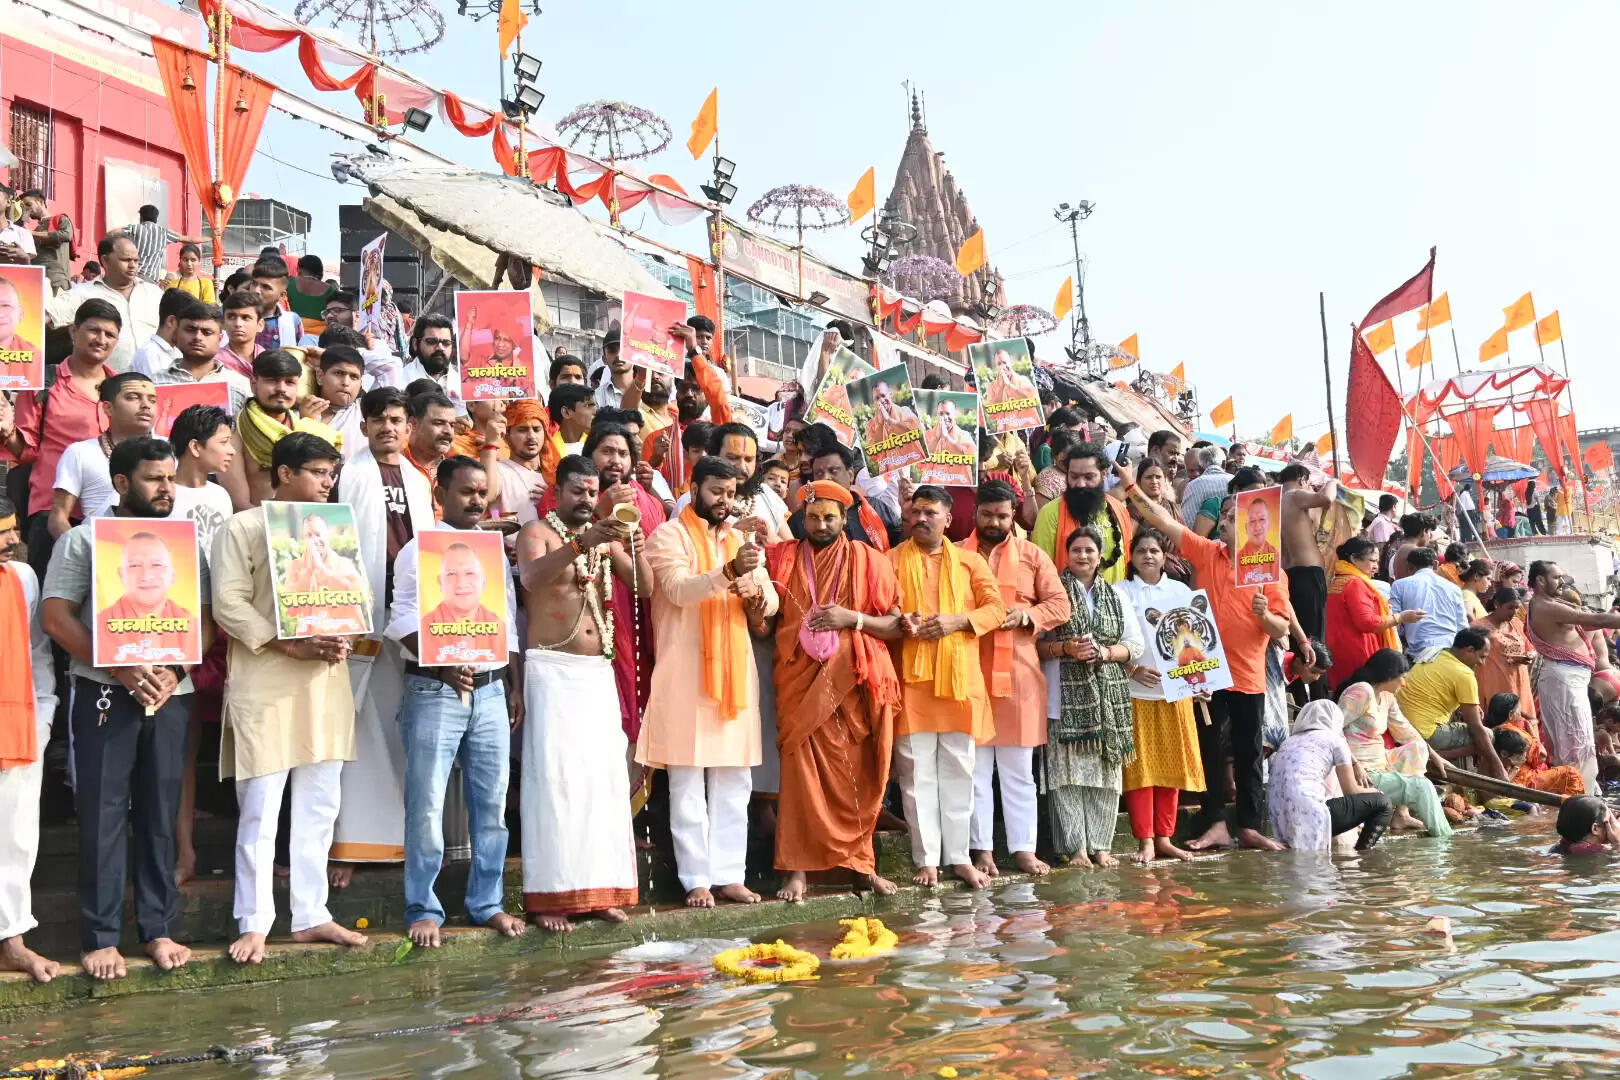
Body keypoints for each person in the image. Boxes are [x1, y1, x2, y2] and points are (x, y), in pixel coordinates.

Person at [41, 436, 202, 979]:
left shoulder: (184, 542)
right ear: (121, 483)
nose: (166, 488)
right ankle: (100, 937)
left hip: (171, 693)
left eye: (170, 478)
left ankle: (159, 929)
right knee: (103, 814)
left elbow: (201, 620)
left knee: (160, 814)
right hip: (104, 692)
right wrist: (120, 668)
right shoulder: (84, 540)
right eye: (154, 479)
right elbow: (56, 617)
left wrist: (174, 671)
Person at [212, 432, 366, 965]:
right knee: (261, 810)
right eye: (318, 472)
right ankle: (254, 922)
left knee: (321, 805)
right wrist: (288, 643)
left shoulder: (336, 531)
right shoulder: (243, 527)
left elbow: (355, 596)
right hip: (266, 680)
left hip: (324, 680)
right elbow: (227, 603)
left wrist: (345, 629)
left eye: (331, 474)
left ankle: (311, 913)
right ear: (283, 473)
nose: (327, 483)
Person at [385, 457, 525, 946]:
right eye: (466, 491)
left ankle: (487, 903)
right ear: (439, 494)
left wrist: (513, 684)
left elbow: (506, 620)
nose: (476, 500)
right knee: (426, 805)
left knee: (492, 807)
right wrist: (440, 664)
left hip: (490, 689)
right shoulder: (419, 550)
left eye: (482, 492)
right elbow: (400, 618)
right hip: (434, 689)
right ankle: (423, 908)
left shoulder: (491, 552)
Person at [1119, 475, 1291, 851]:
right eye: (1225, 515)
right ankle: (1215, 823)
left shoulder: (1271, 571)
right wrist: (1131, 487)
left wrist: (1264, 614)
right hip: (1204, 673)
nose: (1224, 521)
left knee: (1249, 752)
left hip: (1248, 673)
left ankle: (1250, 826)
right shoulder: (1209, 552)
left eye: (1231, 516)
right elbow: (1163, 521)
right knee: (1209, 749)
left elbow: (1281, 627)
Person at [638, 456, 777, 907]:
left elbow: (772, 598)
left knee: (735, 779)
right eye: (716, 491)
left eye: (731, 493)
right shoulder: (668, 536)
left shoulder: (739, 540)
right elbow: (679, 590)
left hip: (735, 673)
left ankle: (730, 875)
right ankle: (696, 878)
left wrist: (757, 595)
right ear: (693, 488)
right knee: (687, 781)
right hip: (685, 675)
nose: (724, 501)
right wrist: (729, 572)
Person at [517, 454, 647, 929]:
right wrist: (581, 543)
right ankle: (552, 898)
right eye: (578, 491)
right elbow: (531, 578)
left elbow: (646, 586)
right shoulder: (537, 532)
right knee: (557, 783)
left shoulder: (604, 538)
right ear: (558, 492)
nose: (587, 500)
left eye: (593, 493)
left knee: (603, 782)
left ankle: (602, 890)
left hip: (597, 672)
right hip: (552, 669)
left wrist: (632, 543)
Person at [760, 480, 904, 901]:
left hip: (852, 685)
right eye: (812, 518)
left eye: (829, 518)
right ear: (802, 520)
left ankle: (861, 867)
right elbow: (765, 624)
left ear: (845, 518)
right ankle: (796, 871)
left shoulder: (870, 561)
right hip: (798, 683)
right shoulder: (782, 558)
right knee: (799, 777)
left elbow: (895, 625)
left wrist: (851, 619)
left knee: (856, 775)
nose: (820, 525)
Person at [328, 387, 437, 884]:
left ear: (409, 427)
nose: (387, 428)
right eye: (378, 420)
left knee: (402, 731)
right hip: (360, 616)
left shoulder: (417, 479)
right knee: (355, 732)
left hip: (407, 618)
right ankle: (348, 844)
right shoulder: (346, 475)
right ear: (364, 425)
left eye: (396, 420)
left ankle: (401, 841)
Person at [887, 485, 1006, 888]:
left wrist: (957, 621)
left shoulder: (971, 562)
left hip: (959, 680)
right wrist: (899, 618)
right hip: (912, 679)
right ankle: (926, 860)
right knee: (916, 775)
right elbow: (880, 605)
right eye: (916, 511)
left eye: (931, 513)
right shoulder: (889, 560)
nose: (921, 519)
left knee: (959, 771)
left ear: (948, 519)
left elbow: (996, 609)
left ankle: (959, 857)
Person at [960, 480, 1069, 877]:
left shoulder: (1032, 555)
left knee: (1019, 772)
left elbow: (1060, 604)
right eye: (987, 514)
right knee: (974, 772)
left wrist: (1027, 615)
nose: (994, 522)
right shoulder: (956, 554)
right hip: (968, 670)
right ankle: (983, 851)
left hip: (1019, 675)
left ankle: (1024, 849)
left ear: (1013, 516)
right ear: (975, 513)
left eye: (1002, 516)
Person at [1039, 525, 1142, 868]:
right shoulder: (1052, 594)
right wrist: (1066, 648)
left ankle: (1101, 847)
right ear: (1066, 555)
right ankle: (1076, 850)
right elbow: (1034, 645)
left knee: (1105, 776)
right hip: (1063, 698)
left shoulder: (1116, 596)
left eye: (1089, 551)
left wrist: (1106, 652)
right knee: (1067, 776)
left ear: (1100, 558)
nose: (1082, 556)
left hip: (1108, 698)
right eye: (1076, 550)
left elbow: (1135, 645)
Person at [4, 298, 118, 576]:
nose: (101, 339)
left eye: (110, 334)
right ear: (74, 331)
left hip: (108, 512)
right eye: (94, 330)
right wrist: (7, 432)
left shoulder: (123, 388)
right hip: (51, 509)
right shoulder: (45, 383)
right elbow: (27, 451)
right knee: (51, 593)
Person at [1116, 529, 1207, 863]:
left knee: (1172, 768)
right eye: (1141, 550)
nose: (1148, 556)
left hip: (1175, 694)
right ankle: (1145, 842)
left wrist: (1201, 681)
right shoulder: (1120, 592)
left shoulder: (1180, 591)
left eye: (1154, 550)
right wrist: (1131, 670)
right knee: (1140, 771)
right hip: (1135, 693)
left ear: (1164, 555)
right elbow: (1111, 639)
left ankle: (1165, 838)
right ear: (1132, 556)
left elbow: (1196, 643)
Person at [0, 496, 61, 983]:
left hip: (17, 722)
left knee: (17, 835)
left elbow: (38, 651)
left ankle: (12, 940)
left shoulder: (22, 578)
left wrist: (44, 714)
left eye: (14, 529)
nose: (13, 540)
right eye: (2, 532)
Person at [1526, 559, 1620, 793]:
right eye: (1556, 577)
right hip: (1564, 679)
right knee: (1575, 741)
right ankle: (1579, 794)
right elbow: (1597, 620)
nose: (1561, 581)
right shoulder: (1545, 606)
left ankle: (1583, 791)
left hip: (1568, 679)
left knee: (1577, 738)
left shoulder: (1551, 602)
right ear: (1540, 580)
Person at [1336, 650, 1453, 837]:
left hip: (1381, 762)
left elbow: (1405, 730)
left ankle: (1401, 815)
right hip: (1361, 771)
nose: (1404, 683)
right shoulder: (1362, 691)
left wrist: (1435, 755)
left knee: (1419, 747)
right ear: (1389, 675)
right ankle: (1445, 841)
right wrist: (1354, 763)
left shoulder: (1387, 697)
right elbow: (1332, 729)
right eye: (1402, 678)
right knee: (1423, 787)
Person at [1266, 701, 1392, 852]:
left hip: (1281, 821)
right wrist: (1376, 792)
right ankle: (1363, 854)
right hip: (1310, 815)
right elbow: (1351, 791)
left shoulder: (1288, 742)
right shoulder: (1335, 740)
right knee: (1383, 803)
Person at [49, 371, 157, 537]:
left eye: (152, 400)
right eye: (133, 397)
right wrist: (79, 548)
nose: (146, 405)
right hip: (99, 545)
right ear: (108, 408)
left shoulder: (173, 450)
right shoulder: (80, 452)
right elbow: (58, 517)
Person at [229, 348, 339, 510]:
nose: (281, 388)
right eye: (272, 381)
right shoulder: (235, 433)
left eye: (289, 382)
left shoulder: (307, 427)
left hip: (310, 519)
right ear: (253, 384)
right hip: (260, 520)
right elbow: (239, 504)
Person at [1394, 628, 1505, 777]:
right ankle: (1432, 757)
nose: (1482, 663)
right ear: (1469, 650)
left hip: (1400, 725)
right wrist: (1498, 766)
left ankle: (1431, 755)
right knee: (1488, 736)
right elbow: (1476, 727)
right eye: (1482, 657)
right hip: (1424, 733)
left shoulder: (1436, 652)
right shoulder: (1464, 674)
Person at [46, 234, 161, 372]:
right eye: (126, 260)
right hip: (106, 382)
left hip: (155, 380)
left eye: (136, 261)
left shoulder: (155, 293)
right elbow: (44, 316)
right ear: (105, 261)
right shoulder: (83, 293)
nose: (133, 266)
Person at [1030, 443, 1134, 585]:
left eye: (1088, 477)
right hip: (1067, 597)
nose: (1080, 484)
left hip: (1117, 596)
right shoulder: (1050, 514)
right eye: (1074, 476)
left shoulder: (1119, 510)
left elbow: (1127, 560)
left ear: (1104, 474)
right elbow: (1041, 570)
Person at [148, 298, 249, 416]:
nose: (198, 337)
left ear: (220, 339)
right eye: (190, 330)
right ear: (177, 333)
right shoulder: (154, 383)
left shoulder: (240, 385)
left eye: (207, 332)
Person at [787, 443, 894, 551]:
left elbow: (898, 549)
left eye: (833, 471)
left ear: (850, 475)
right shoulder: (800, 520)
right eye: (819, 473)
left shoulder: (877, 508)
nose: (826, 477)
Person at [1483, 692, 1585, 797]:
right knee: (1571, 774)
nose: (1521, 714)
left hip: (1514, 776)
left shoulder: (1494, 729)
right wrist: (1533, 734)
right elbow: (1541, 757)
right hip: (1523, 779)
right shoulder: (1513, 732)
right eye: (1519, 711)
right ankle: (1573, 805)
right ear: (1510, 715)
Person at [1278, 464, 1336, 643]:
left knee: (1297, 637)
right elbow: (1326, 498)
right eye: (1309, 484)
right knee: (1313, 638)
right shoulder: (1294, 495)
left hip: (1286, 574)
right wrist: (1333, 482)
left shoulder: (1273, 503)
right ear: (1302, 479)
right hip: (1308, 573)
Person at [1390, 546, 1469, 656]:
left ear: (1410, 567)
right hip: (1450, 651)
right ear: (1436, 564)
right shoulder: (1454, 588)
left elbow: (1395, 624)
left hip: (1418, 653)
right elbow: (1462, 626)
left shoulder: (1399, 585)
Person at [1473, 588, 1536, 720]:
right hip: (1494, 681)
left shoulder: (1517, 623)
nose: (1514, 612)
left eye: (1517, 608)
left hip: (1519, 680)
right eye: (1510, 607)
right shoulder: (1478, 626)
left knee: (1522, 718)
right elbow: (1470, 655)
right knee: (1500, 719)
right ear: (1497, 605)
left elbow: (1529, 647)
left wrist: (1529, 655)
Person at [304, 344, 366, 458]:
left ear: (361, 384)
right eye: (338, 373)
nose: (346, 383)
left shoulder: (365, 411)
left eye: (354, 377)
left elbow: (392, 366)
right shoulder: (299, 414)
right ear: (320, 376)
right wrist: (306, 423)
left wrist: (325, 353)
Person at [493, 400, 547, 525]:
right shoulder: (498, 470)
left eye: (537, 429)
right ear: (506, 435)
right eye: (522, 430)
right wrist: (496, 516)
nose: (531, 436)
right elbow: (491, 505)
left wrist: (550, 502)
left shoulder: (554, 474)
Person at [119, 204, 201, 283]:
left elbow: (114, 233)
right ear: (156, 219)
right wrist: (208, 238)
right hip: (149, 279)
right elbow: (189, 239)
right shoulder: (164, 232)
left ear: (141, 217)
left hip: (132, 275)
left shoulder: (134, 228)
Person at [402, 314, 461, 414]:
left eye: (446, 343)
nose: (440, 348)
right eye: (431, 342)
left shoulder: (463, 381)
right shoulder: (400, 380)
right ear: (415, 344)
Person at [538, 384, 596, 484]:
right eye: (588, 406)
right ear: (566, 412)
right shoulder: (545, 448)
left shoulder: (595, 443)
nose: (594, 411)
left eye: (594, 406)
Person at [19, 189, 73, 294]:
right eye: (24, 207)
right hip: (37, 281)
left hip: (56, 280)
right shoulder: (36, 229)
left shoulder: (61, 219)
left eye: (28, 204)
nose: (27, 209)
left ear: (40, 202)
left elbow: (66, 235)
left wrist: (33, 233)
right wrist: (23, 217)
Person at [128, 286, 189, 377]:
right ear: (171, 321)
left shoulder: (178, 352)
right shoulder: (149, 354)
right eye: (188, 328)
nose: (192, 335)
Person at [247, 258, 303, 352]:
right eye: (254, 283)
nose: (256, 290)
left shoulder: (292, 320)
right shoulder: (232, 315)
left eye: (266, 287)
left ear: (282, 295)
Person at [215, 290, 264, 379]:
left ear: (260, 325)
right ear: (223, 323)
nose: (238, 324)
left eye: (246, 318)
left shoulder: (269, 360)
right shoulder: (214, 363)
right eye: (231, 317)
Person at [1236, 492, 1280, 587]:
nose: (1257, 527)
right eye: (1252, 521)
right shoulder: (1237, 558)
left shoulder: (1276, 555)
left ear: (1269, 525)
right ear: (1246, 527)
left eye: (1262, 519)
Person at [1178, 445, 1230, 526]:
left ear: (1200, 467)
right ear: (1224, 464)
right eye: (1191, 471)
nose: (1196, 474)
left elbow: (1186, 523)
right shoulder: (1235, 481)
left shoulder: (1194, 485)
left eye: (1197, 470)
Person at [1550, 795, 1620, 854]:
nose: (1614, 824)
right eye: (1609, 820)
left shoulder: (1560, 846)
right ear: (1595, 828)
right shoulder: (1600, 851)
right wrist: (1617, 843)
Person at [861, 379, 920, 445]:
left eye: (883, 395)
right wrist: (880, 425)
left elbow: (917, 432)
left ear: (890, 394)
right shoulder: (871, 425)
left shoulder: (905, 411)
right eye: (877, 398)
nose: (881, 400)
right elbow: (874, 448)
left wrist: (889, 420)